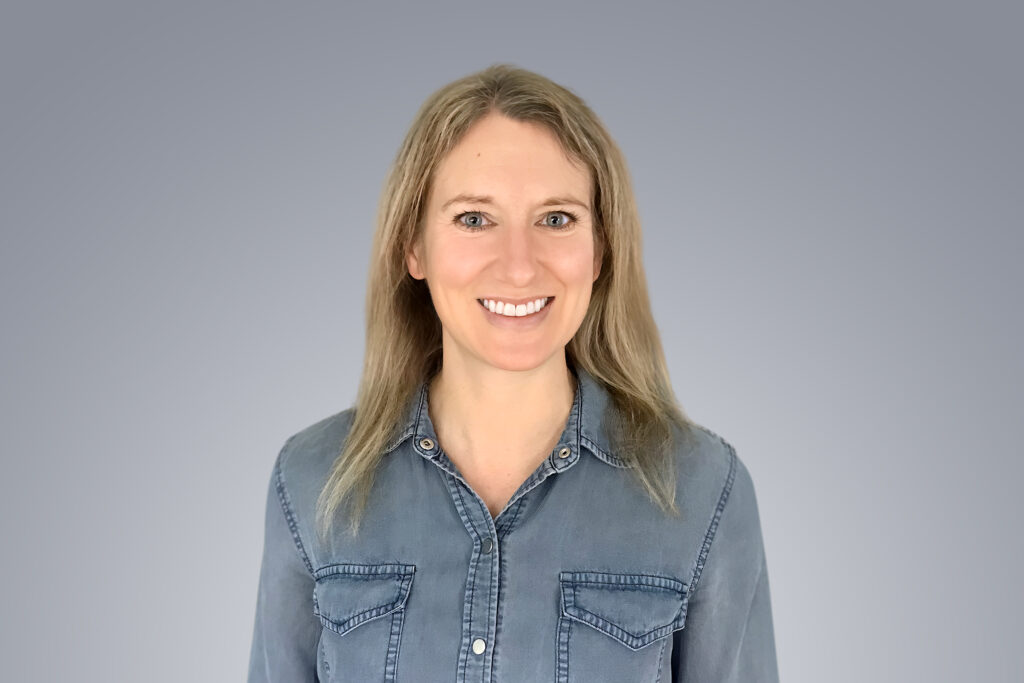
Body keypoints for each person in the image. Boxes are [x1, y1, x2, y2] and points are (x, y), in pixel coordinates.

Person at [247, 63, 779, 682]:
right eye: (474, 219)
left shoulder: (703, 490)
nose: (520, 267)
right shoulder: (312, 481)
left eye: (556, 219)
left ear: (601, 248)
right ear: (413, 247)